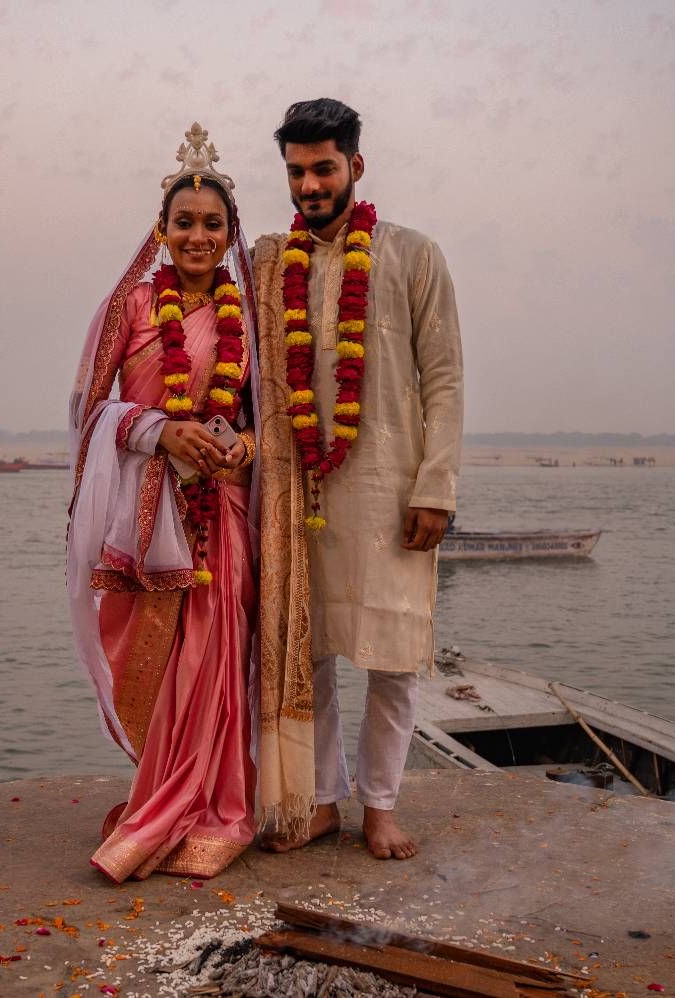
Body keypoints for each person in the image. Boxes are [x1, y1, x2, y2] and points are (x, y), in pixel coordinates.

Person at [252, 98, 464, 860]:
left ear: (356, 166)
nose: (310, 186)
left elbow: (445, 379)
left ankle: (381, 807)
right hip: (299, 492)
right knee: (306, 656)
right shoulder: (271, 266)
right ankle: (319, 803)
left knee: (393, 658)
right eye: (297, 173)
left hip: (389, 490)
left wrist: (436, 487)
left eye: (323, 169)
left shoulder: (413, 255)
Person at [67, 123, 269, 882]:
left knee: (218, 660)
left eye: (212, 223)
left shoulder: (249, 317)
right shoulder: (131, 306)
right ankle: (162, 797)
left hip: (224, 514)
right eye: (184, 221)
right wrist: (159, 430)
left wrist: (242, 446)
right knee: (156, 662)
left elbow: (267, 418)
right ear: (162, 228)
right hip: (149, 514)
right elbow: (87, 412)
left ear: (229, 233)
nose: (197, 235)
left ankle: (216, 803)